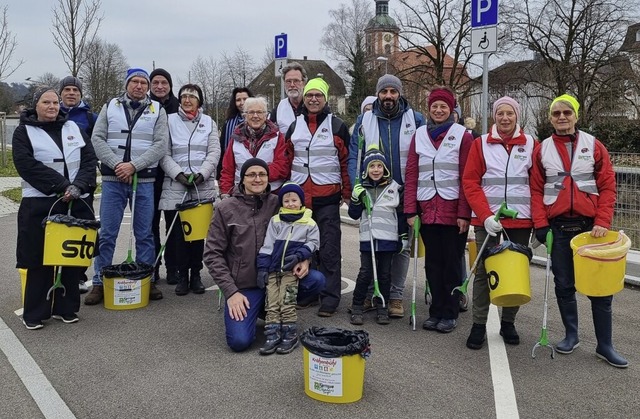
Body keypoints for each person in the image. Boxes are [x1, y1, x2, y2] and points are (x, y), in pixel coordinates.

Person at [530, 94, 628, 368]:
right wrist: (540, 224)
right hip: (559, 228)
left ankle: (605, 345)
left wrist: (602, 221)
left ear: (576, 116)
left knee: (601, 287)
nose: (562, 117)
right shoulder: (542, 149)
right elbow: (536, 190)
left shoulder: (594, 146)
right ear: (550, 118)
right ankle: (571, 335)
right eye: (556, 113)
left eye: (567, 112)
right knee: (564, 285)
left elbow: (608, 186)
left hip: (591, 230)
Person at [13, 88, 97, 329]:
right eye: (46, 102)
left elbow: (89, 160)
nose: (52, 106)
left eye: (55, 102)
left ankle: (66, 308)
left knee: (71, 257)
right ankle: (35, 313)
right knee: (40, 259)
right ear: (35, 105)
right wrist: (61, 186)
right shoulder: (23, 132)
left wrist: (78, 186)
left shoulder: (73, 128)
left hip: (76, 200)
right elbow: (26, 165)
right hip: (41, 202)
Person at [84, 67, 168, 305]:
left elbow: (161, 145)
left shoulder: (157, 109)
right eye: (135, 82)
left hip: (144, 181)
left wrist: (134, 165)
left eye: (143, 82)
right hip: (113, 180)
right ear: (127, 84)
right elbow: (97, 139)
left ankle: (146, 280)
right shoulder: (110, 106)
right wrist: (117, 164)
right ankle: (100, 282)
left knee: (144, 234)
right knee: (108, 233)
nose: (139, 86)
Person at [462, 96, 537, 349]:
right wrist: (484, 216)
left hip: (521, 221)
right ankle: (478, 324)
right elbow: (470, 183)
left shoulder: (530, 144)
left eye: (510, 113)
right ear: (494, 116)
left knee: (514, 273)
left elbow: (536, 186)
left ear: (517, 116)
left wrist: (538, 221)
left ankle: (508, 323)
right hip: (488, 221)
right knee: (483, 272)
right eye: (500, 113)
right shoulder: (480, 144)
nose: (505, 118)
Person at [348, 74, 425, 318]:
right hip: (373, 193)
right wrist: (356, 187)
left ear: (400, 93)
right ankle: (372, 293)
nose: (389, 96)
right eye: (384, 92)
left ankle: (395, 296)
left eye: (393, 91)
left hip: (404, 194)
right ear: (378, 94)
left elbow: (425, 156)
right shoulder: (365, 119)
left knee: (401, 246)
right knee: (373, 244)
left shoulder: (416, 119)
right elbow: (354, 156)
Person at [404, 87, 473, 333]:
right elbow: (412, 173)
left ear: (451, 109)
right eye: (435, 106)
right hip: (427, 210)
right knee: (433, 263)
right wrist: (410, 211)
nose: (439, 110)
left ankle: (450, 311)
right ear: (429, 109)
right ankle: (435, 310)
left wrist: (465, 214)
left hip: (453, 212)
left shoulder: (463, 135)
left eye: (444, 106)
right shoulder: (420, 135)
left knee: (452, 263)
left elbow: (468, 177)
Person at [286, 77, 351, 317]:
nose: (313, 99)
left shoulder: (337, 126)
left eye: (318, 96)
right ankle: (309, 293)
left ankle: (330, 299)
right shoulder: (295, 126)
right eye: (309, 95)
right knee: (304, 250)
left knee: (329, 250)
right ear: (304, 98)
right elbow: (287, 157)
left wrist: (347, 192)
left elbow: (345, 161)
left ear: (325, 99)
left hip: (327, 198)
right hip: (301, 200)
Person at [159, 84, 220, 296]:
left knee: (197, 236)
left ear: (199, 101)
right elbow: (164, 153)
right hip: (176, 185)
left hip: (201, 186)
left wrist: (203, 173)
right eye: (183, 96)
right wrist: (178, 174)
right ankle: (181, 275)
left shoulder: (208, 122)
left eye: (192, 97)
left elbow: (214, 152)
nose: (187, 100)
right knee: (177, 235)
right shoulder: (169, 121)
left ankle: (196, 275)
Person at [256, 182, 324, 355]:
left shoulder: (309, 222)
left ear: (301, 202)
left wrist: (300, 256)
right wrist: (263, 267)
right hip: (273, 270)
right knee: (272, 302)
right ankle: (272, 334)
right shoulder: (276, 221)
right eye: (286, 201)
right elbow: (267, 245)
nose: (291, 203)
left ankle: (289, 334)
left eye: (294, 200)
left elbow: (314, 243)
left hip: (291, 271)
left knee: (287, 301)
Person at [348, 146, 401, 326]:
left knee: (385, 274)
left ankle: (382, 308)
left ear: (385, 168)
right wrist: (356, 198)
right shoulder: (361, 188)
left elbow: (400, 214)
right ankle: (357, 307)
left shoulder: (394, 187)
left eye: (379, 166)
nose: (376, 170)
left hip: (388, 240)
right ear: (366, 169)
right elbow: (354, 214)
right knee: (365, 273)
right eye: (372, 166)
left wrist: (403, 236)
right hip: (368, 239)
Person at [58, 75, 99, 294]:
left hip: (84, 183)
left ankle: (80, 275)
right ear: (61, 93)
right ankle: (58, 272)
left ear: (81, 94)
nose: (71, 93)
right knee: (59, 228)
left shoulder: (90, 118)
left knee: (82, 229)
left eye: (75, 90)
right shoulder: (54, 113)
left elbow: (95, 148)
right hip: (59, 182)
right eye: (67, 90)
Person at [219, 97, 290, 196]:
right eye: (251, 112)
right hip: (241, 195)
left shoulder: (277, 137)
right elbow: (227, 170)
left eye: (259, 112)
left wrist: (255, 175)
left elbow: (282, 166)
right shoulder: (235, 138)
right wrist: (225, 193)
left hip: (271, 195)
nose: (255, 116)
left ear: (266, 115)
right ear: (245, 115)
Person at [149, 68, 180, 285]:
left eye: (164, 83)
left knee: (173, 224)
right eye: (156, 82)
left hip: (172, 174)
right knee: (148, 224)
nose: (160, 86)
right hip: (149, 174)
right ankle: (152, 266)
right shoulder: (145, 107)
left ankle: (173, 267)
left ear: (170, 85)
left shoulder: (179, 107)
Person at [217, 87, 253, 179]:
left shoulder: (261, 121)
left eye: (245, 99)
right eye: (238, 100)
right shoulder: (228, 123)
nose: (242, 103)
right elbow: (223, 150)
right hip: (235, 171)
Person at [269, 62, 307, 135]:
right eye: (288, 81)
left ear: (304, 83)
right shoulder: (278, 110)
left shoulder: (312, 106)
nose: (292, 85)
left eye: (296, 81)